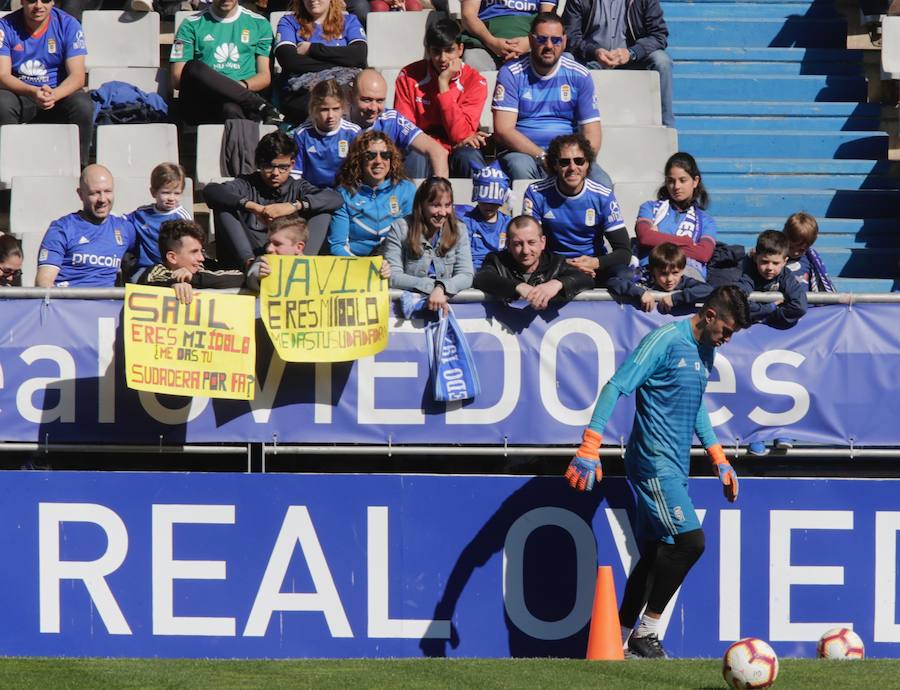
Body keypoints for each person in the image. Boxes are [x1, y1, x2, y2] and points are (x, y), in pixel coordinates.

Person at [564, 285, 750, 659]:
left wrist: (719, 458)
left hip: (675, 463)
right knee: (689, 543)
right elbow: (616, 385)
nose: (727, 339)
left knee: (654, 553)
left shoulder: (706, 350)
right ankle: (645, 633)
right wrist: (590, 444)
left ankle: (616, 640)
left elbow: (695, 404)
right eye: (727, 331)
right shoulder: (665, 340)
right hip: (652, 462)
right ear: (710, 316)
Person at [492, 13, 612, 187]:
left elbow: (592, 133)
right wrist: (542, 156)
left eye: (555, 40)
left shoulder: (580, 75)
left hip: (567, 154)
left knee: (603, 182)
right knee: (520, 168)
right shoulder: (511, 73)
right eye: (542, 39)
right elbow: (503, 130)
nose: (549, 45)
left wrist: (578, 162)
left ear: (564, 41)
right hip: (523, 153)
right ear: (531, 40)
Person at [204, 131, 342, 267]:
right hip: (248, 254)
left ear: (292, 164)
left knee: (323, 211)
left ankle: (302, 265)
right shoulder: (246, 183)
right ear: (258, 164)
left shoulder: (298, 187)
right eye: (269, 166)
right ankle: (250, 265)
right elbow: (211, 191)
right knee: (224, 205)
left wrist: (293, 206)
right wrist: (253, 207)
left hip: (286, 258)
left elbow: (335, 198)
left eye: (283, 167)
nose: (275, 173)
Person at [522, 133, 630, 285]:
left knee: (625, 275)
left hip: (593, 266)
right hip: (553, 267)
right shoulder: (536, 193)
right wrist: (567, 266)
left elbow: (624, 252)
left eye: (579, 161)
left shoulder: (603, 196)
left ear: (588, 164)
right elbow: (531, 245)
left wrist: (593, 263)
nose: (572, 168)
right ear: (554, 165)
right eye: (564, 162)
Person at [393, 18, 488, 179]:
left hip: (457, 150)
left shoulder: (475, 81)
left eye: (449, 50)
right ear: (429, 51)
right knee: (416, 153)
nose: (443, 58)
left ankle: (476, 204)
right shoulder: (409, 76)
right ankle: (415, 203)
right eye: (436, 51)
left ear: (460, 49)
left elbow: (461, 135)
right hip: (424, 149)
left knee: (469, 157)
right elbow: (406, 130)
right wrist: (435, 146)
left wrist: (443, 85)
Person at [0, 0, 93, 164]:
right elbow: (2, 75)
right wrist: (32, 91)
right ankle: (9, 167)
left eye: (45, 0)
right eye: (31, 0)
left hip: (58, 93)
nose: (38, 5)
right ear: (21, 1)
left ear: (53, 2)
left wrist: (54, 95)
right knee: (2, 103)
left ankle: (80, 169)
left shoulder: (69, 24)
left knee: (83, 104)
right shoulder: (5, 26)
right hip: (22, 93)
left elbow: (78, 76)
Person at [562, 0, 673, 127]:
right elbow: (570, 37)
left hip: (632, 60)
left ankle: (667, 128)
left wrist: (631, 53)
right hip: (591, 59)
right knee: (566, 59)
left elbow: (658, 35)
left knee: (662, 61)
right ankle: (567, 128)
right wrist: (594, 52)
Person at [171, 0, 282, 125]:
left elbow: (264, 76)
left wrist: (235, 89)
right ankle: (261, 105)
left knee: (230, 109)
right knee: (193, 66)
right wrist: (220, 88)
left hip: (239, 105)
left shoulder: (259, 23)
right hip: (202, 101)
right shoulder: (191, 24)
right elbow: (177, 79)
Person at [384, 176, 474, 315]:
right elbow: (394, 276)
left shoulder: (459, 229)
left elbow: (466, 274)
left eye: (447, 205)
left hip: (447, 310)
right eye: (436, 205)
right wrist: (432, 287)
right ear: (421, 205)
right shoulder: (400, 228)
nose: (443, 213)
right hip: (408, 313)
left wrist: (441, 288)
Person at [36, 165, 136, 288]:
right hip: (68, 304)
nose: (102, 199)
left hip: (107, 306)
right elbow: (43, 283)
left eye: (107, 191)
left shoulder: (124, 229)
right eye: (95, 193)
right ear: (80, 194)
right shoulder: (62, 229)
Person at [274, 0, 367, 126]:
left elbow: (359, 56)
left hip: (343, 89)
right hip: (302, 93)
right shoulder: (289, 22)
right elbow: (289, 60)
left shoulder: (349, 21)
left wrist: (312, 49)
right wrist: (342, 62)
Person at [474, 214, 593, 309]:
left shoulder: (556, 262)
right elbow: (482, 278)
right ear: (508, 245)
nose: (525, 251)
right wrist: (518, 287)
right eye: (517, 244)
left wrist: (557, 284)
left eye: (531, 242)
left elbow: (586, 279)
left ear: (542, 242)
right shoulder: (497, 261)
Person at [328, 130, 416, 258]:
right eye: (370, 155)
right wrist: (365, 269)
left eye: (385, 155)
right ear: (359, 160)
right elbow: (338, 246)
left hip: (396, 263)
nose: (378, 161)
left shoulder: (406, 189)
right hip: (358, 266)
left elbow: (413, 236)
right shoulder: (344, 193)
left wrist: (393, 265)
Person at [348, 69, 449, 178]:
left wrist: (439, 188)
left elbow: (438, 152)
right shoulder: (336, 122)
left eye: (380, 101)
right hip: (347, 189)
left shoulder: (392, 120)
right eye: (366, 100)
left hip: (385, 191)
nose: (373, 108)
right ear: (350, 97)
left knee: (417, 154)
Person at [634, 152, 716, 282]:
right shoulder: (649, 208)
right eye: (671, 181)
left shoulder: (706, 221)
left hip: (688, 278)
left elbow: (703, 254)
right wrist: (687, 242)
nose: (676, 186)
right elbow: (645, 237)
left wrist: (657, 240)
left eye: (683, 180)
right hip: (650, 274)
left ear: (695, 181)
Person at [138, 219, 245, 305]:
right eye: (194, 252)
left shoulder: (204, 266)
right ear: (172, 257)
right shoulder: (156, 271)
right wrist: (172, 286)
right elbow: (146, 286)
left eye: (201, 251)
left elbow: (241, 278)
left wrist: (193, 279)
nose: (201, 258)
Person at [125, 162, 193, 282]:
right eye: (166, 192)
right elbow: (122, 222)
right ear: (153, 192)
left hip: (174, 268)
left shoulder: (182, 217)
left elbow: (191, 244)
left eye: (176, 193)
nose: (171, 198)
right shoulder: (142, 214)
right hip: (147, 269)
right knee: (136, 280)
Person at [290, 79, 362, 188]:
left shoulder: (352, 133)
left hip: (343, 192)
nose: (330, 116)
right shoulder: (302, 134)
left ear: (343, 107)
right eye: (324, 110)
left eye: (335, 109)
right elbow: (296, 174)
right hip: (311, 193)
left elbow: (359, 172)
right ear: (314, 109)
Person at [607, 242, 713, 313]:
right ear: (653, 271)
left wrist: (676, 298)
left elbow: (708, 290)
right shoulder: (643, 276)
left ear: (682, 270)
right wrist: (640, 293)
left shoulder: (683, 282)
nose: (670, 279)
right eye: (663, 274)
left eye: (675, 272)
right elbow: (613, 281)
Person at [736, 229, 808, 330]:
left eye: (775, 263)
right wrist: (769, 308)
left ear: (784, 261)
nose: (769, 267)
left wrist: (769, 317)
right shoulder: (748, 274)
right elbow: (737, 300)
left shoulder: (786, 276)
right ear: (756, 257)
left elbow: (800, 307)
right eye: (764, 261)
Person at [460, 0, 558, 74]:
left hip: (532, 41)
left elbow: (548, 18)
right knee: (473, 61)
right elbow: (468, 15)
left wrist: (529, 42)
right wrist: (491, 42)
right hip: (484, 40)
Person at [455, 163, 512, 271]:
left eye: (494, 203)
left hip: (500, 269)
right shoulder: (466, 222)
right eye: (484, 201)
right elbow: (463, 257)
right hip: (472, 269)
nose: (489, 206)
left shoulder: (508, 223)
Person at [245, 213, 309, 291]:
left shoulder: (314, 268)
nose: (269, 249)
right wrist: (259, 277)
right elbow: (252, 276)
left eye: (277, 244)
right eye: (268, 242)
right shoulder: (264, 262)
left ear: (299, 247)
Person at [783, 211, 834, 293]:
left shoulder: (810, 259)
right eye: (791, 247)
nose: (795, 253)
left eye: (801, 249)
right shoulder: (777, 257)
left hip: (805, 302)